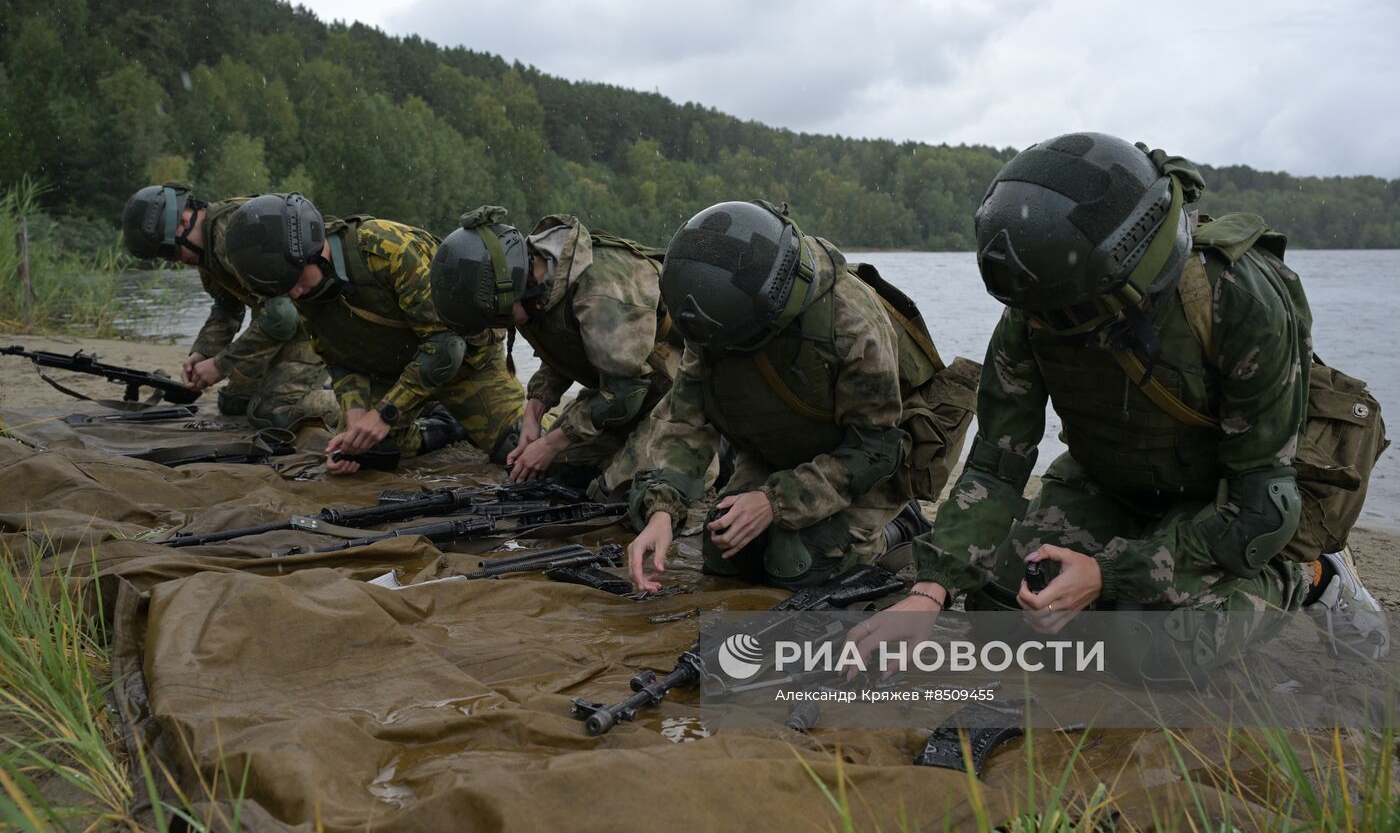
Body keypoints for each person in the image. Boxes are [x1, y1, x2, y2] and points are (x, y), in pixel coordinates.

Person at [851, 133, 1388, 680]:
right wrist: (929, 590)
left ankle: (1314, 579)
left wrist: (1108, 574)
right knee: (1005, 611)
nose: (1033, 326)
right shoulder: (1040, 304)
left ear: (1121, 281)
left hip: (1218, 501)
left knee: (1153, 650)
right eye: (1027, 312)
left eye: (1054, 315)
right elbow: (995, 466)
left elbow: (1257, 508)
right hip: (1110, 478)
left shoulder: (1238, 302)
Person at [625, 200, 977, 592]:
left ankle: (900, 526)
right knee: (725, 553)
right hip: (784, 447)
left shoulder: (849, 323)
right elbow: (684, 422)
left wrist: (774, 502)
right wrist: (662, 512)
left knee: (798, 564)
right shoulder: (715, 320)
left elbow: (875, 449)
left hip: (875, 464)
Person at [222, 193, 525, 474]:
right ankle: (446, 427)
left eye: (297, 280)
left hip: (466, 366)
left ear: (315, 251)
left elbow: (446, 345)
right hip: (392, 370)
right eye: (285, 289)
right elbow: (338, 358)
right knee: (362, 452)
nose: (295, 293)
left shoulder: (388, 250)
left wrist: (383, 414)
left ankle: (463, 413)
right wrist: (354, 414)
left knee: (518, 450)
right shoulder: (304, 288)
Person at [429, 207, 682, 492]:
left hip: (675, 389)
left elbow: (627, 391)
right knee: (556, 475)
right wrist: (532, 416)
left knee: (623, 493)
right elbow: (563, 348)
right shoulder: (537, 285)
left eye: (500, 318)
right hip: (619, 388)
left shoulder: (599, 292)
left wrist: (551, 442)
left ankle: (717, 445)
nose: (502, 325)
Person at [120, 182, 337, 429]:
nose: (177, 261)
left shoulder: (232, 234)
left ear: (183, 220)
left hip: (318, 321)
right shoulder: (206, 252)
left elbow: (282, 317)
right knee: (234, 403)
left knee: (274, 412)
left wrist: (221, 365)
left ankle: (360, 406)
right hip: (282, 326)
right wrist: (203, 352)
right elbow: (227, 306)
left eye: (169, 252)